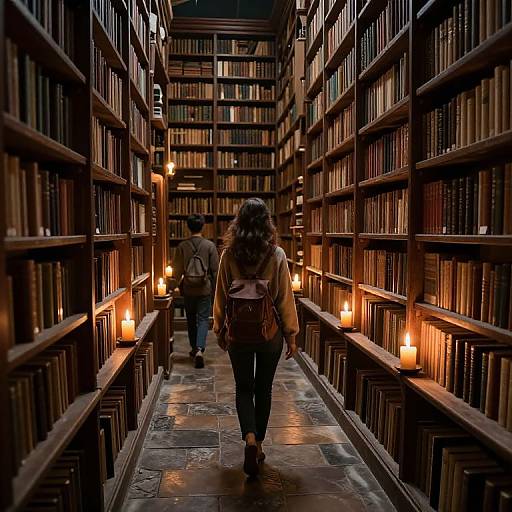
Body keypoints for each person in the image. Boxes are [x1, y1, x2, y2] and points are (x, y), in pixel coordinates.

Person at [213, 198, 299, 477]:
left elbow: (221, 294)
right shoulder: (276, 255)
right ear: (267, 222)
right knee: (264, 389)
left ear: (238, 222)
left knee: (243, 388)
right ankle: (259, 444)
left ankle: (248, 437)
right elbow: (285, 297)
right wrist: (291, 335)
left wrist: (219, 328)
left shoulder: (228, 255)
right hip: (269, 334)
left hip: (238, 333)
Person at [173, 214, 219, 368]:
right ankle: (200, 349)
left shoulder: (182, 246)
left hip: (188, 289)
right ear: (203, 226)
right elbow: (215, 271)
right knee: (203, 319)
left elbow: (176, 271)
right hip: (204, 289)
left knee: (191, 320)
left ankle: (194, 348)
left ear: (188, 226)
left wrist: (174, 286)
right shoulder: (209, 246)